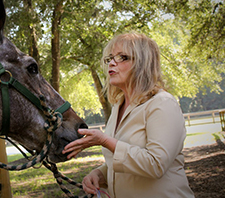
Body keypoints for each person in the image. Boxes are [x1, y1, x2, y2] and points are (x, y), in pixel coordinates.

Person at [63, 32, 194, 198]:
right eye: (110, 58)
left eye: (122, 57)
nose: (111, 63)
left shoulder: (162, 103)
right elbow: (123, 160)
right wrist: (99, 174)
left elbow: (156, 165)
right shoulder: (118, 106)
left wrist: (104, 141)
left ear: (143, 63)